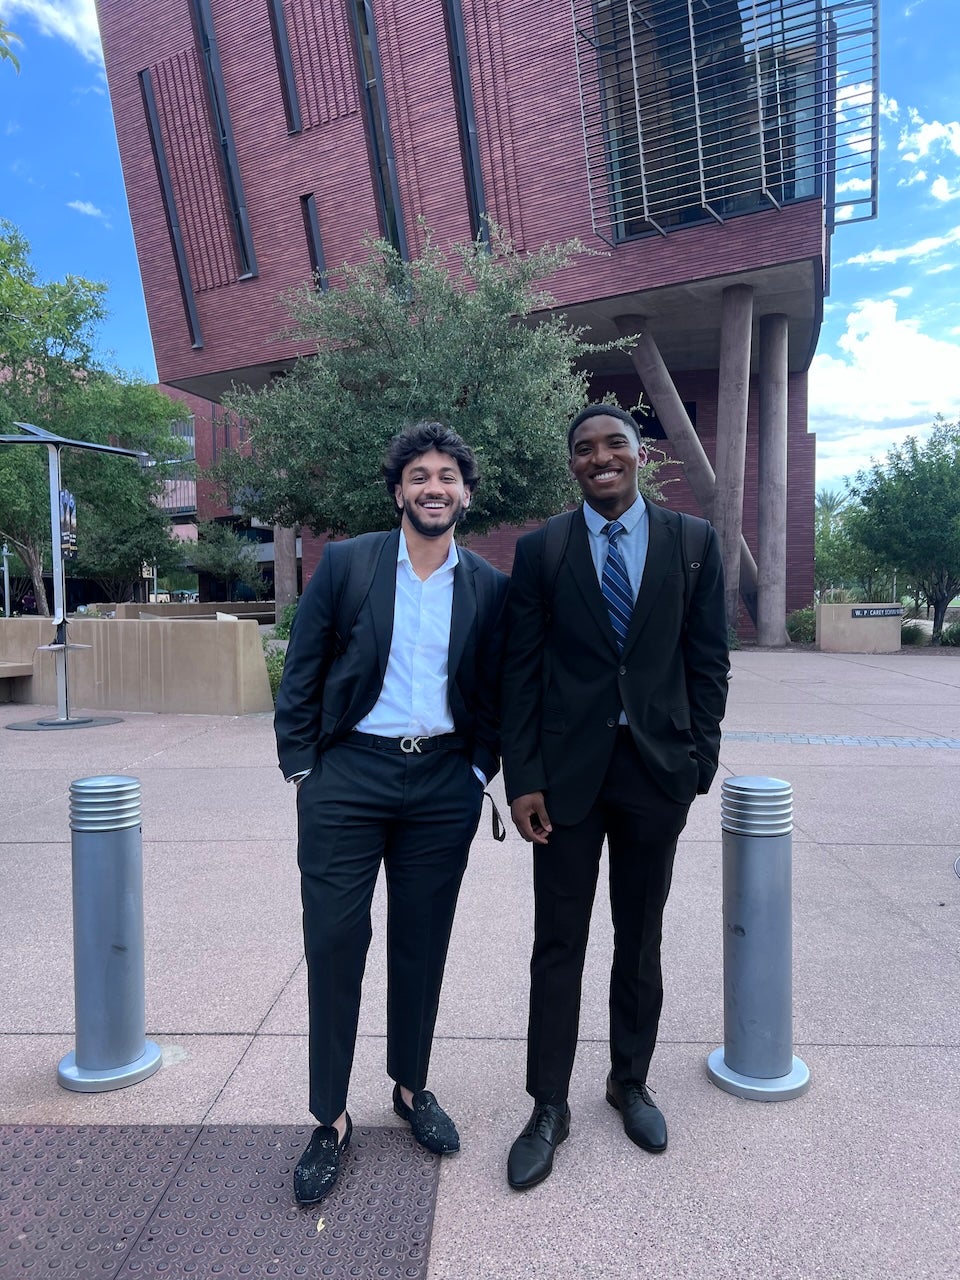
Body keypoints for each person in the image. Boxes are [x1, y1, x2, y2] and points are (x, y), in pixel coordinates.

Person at [275, 421, 508, 1204]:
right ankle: (330, 1117)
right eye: (419, 475)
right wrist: (304, 766)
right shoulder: (348, 566)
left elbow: (497, 690)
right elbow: (302, 666)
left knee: (422, 942)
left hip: (443, 782)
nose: (433, 487)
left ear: (465, 494)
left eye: (447, 475)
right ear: (398, 490)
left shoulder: (487, 584)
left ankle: (411, 1088)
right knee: (335, 941)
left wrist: (479, 768)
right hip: (349, 778)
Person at [501, 403, 729, 1189]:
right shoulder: (540, 551)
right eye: (584, 449)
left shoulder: (692, 544)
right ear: (573, 464)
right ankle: (548, 1104)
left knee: (641, 938)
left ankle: (628, 1081)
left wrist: (700, 761)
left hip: (656, 774)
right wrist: (521, 776)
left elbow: (708, 663)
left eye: (614, 445)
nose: (600, 458)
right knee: (558, 942)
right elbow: (520, 674)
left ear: (639, 454)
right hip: (564, 782)